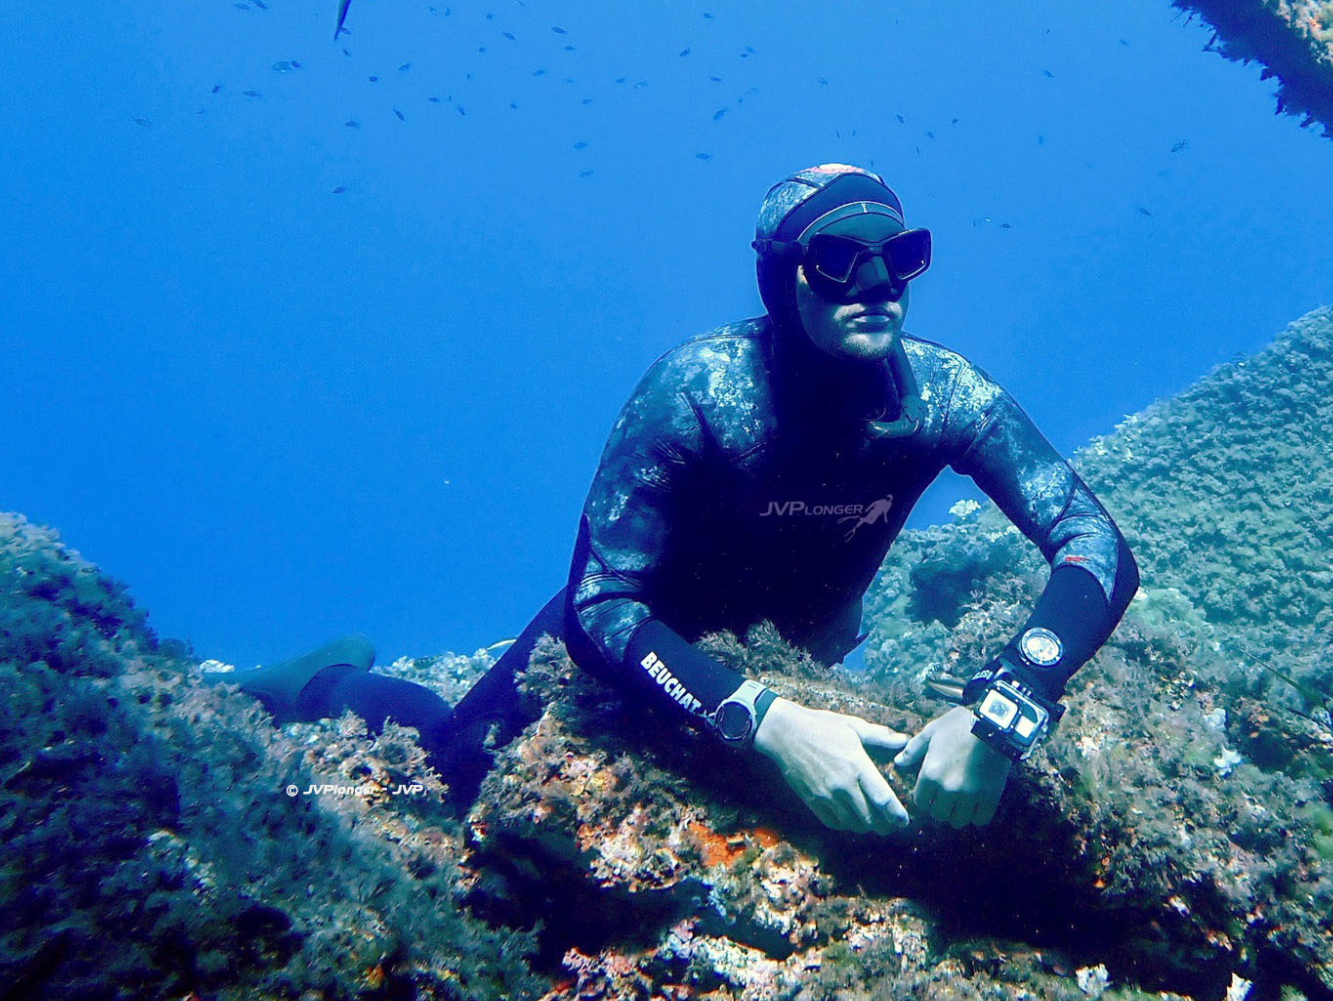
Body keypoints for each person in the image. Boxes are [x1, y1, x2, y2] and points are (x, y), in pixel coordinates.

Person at [216, 164, 1139, 832]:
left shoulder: (945, 398)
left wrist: (1010, 703)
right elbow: (597, 607)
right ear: (781, 278)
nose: (877, 285)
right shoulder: (697, 392)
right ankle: (325, 681)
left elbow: (1094, 540)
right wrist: (765, 721)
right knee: (451, 772)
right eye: (837, 260)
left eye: (900, 255)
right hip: (635, 652)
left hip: (800, 658)